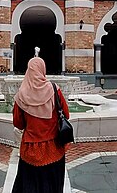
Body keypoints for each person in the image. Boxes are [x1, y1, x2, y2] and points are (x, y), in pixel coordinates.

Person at [12, 57, 70, 193]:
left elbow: (18, 124)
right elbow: (66, 115)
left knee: (29, 185)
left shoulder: (21, 95)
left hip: (30, 150)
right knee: (52, 185)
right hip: (54, 148)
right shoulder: (55, 90)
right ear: (43, 70)